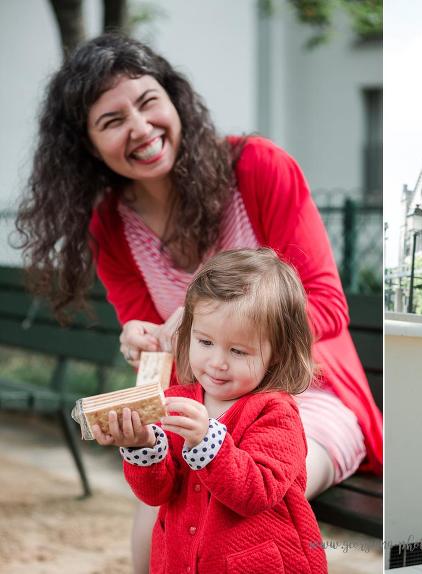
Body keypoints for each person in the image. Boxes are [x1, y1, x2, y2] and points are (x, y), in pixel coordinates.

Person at [15, 34, 382, 573]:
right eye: (111, 121)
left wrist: (194, 317)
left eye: (147, 102)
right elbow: (168, 364)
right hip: (203, 401)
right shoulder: (110, 229)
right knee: (152, 527)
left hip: (306, 396)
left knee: (251, 506)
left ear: (174, 99)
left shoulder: (257, 168)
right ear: (87, 147)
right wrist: (147, 345)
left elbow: (328, 305)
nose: (140, 128)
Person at [92, 249, 327, 573]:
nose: (217, 361)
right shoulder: (177, 399)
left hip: (253, 563)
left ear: (276, 353)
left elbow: (257, 491)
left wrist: (208, 442)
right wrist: (142, 445)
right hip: (179, 559)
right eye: (204, 342)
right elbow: (156, 493)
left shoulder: (275, 412)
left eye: (238, 350)